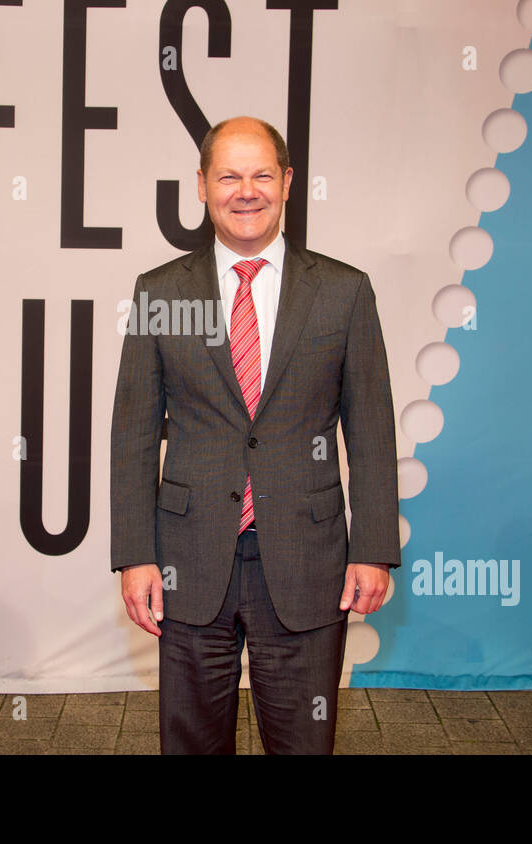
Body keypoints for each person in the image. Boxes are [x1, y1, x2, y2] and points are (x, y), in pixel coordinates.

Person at [110, 115, 400, 754]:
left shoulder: (344, 292)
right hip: (189, 558)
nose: (247, 191)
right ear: (203, 186)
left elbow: (372, 428)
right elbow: (132, 434)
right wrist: (135, 555)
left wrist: (374, 547)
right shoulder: (159, 293)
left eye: (262, 174)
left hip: (308, 559)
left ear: (288, 182)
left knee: (303, 743)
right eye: (230, 176)